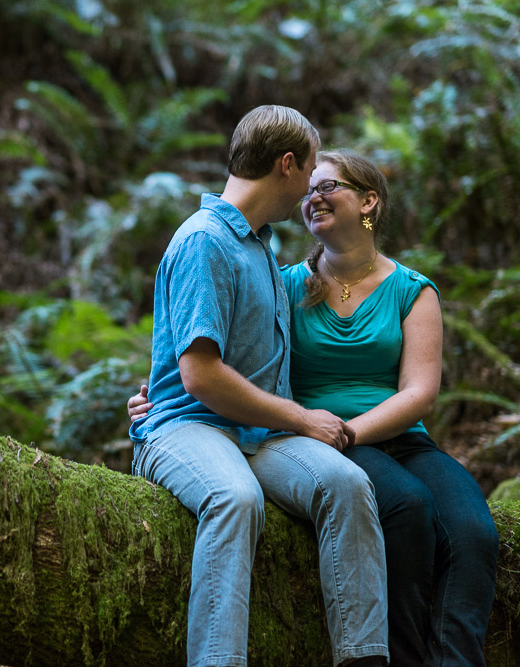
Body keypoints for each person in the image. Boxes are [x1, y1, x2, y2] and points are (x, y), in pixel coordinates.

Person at [130, 148, 499, 666]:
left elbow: (419, 392)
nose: (313, 196)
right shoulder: (281, 283)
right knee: (406, 508)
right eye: (310, 188)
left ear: (369, 201)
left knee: (473, 532)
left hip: (392, 437)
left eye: (330, 186)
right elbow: (219, 353)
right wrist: (159, 394)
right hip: (312, 435)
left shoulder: (412, 290)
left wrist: (350, 431)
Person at [128, 106, 389, 667]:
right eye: (312, 169)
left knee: (347, 483)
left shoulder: (261, 248)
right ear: (287, 165)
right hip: (184, 426)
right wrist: (300, 417)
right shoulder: (204, 240)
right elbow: (200, 374)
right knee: (235, 497)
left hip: (256, 436)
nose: (313, 186)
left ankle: (363, 657)